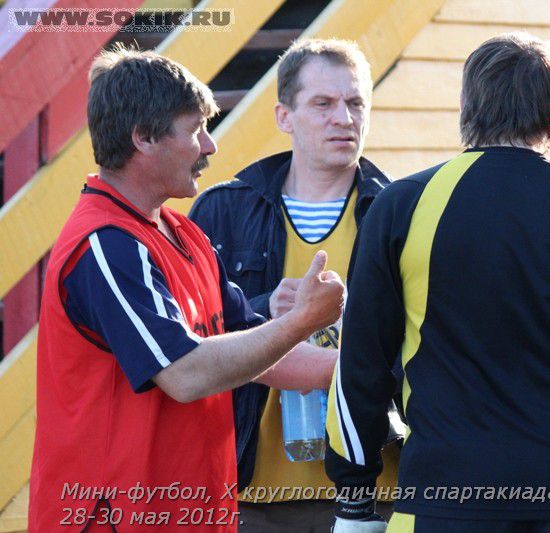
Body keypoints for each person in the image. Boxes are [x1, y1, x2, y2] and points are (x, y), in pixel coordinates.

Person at [324, 32, 550, 533]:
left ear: (465, 105)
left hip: (443, 497)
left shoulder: (404, 204)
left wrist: (355, 501)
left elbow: (360, 367)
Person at [28, 46, 344, 532]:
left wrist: (367, 369)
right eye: (196, 129)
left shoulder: (183, 233)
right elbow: (185, 374)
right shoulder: (105, 244)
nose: (209, 146)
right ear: (143, 137)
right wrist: (303, 320)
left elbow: (259, 350)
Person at [189, 38, 398, 532]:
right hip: (252, 491)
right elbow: (186, 341)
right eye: (323, 104)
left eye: (355, 103)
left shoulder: (400, 211)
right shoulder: (222, 209)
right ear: (284, 116)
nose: (343, 119)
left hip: (375, 488)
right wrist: (264, 309)